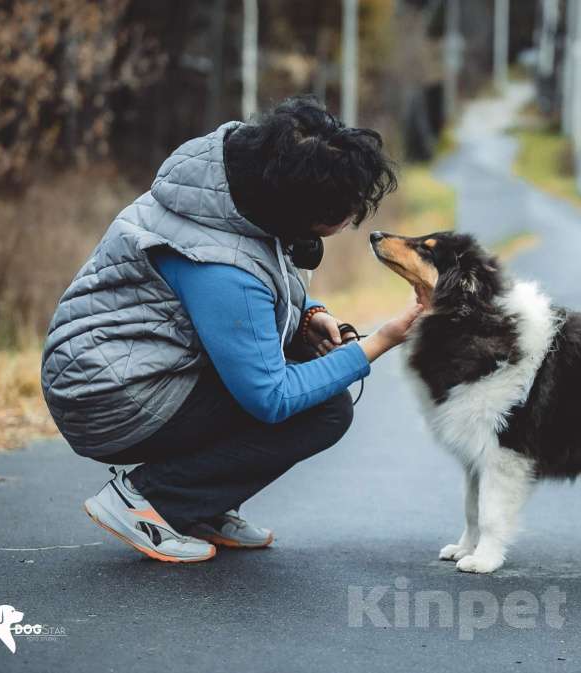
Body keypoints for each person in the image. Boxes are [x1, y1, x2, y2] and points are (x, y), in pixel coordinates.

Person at [40, 96, 421, 563]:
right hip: (110, 395)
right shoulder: (222, 268)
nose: (349, 223)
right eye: (344, 213)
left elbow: (265, 275)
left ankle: (200, 504)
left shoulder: (236, 185)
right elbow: (271, 396)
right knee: (325, 410)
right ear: (303, 210)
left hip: (124, 366)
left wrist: (308, 313)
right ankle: (149, 500)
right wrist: (378, 343)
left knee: (308, 383)